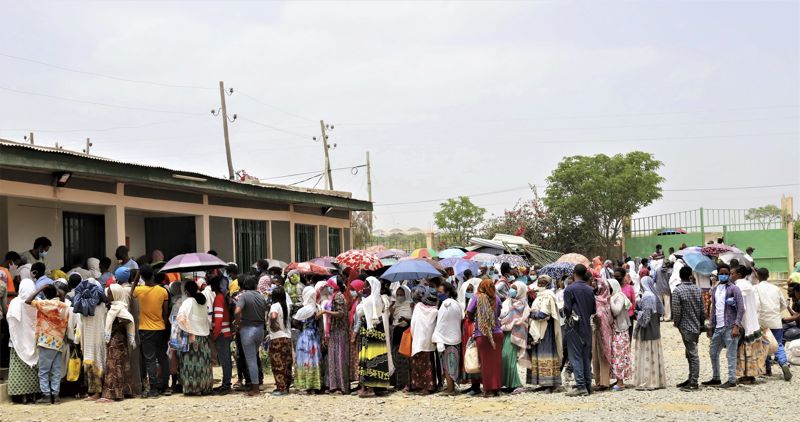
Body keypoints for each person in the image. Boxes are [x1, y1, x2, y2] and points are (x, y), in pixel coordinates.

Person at [25, 283, 69, 404]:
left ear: (45, 294)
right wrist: (61, 295)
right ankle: (56, 395)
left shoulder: (43, 304)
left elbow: (28, 301)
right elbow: (63, 303)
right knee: (56, 370)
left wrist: (40, 289)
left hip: (46, 341)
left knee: (43, 371)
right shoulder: (64, 305)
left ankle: (46, 396)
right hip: (59, 341)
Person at [132, 264, 170, 398]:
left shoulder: (139, 290)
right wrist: (163, 324)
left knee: (150, 360)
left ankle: (153, 388)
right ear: (153, 275)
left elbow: (131, 292)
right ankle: (165, 386)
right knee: (163, 357)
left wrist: (137, 276)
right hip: (160, 328)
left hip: (145, 329)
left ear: (142, 277)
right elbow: (165, 313)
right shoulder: (162, 291)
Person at [704, 264, 743, 388]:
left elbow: (741, 308)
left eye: (727, 273)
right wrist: (710, 325)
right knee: (713, 352)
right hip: (718, 327)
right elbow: (713, 308)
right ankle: (716, 378)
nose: (724, 275)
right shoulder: (715, 289)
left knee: (731, 354)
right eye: (722, 273)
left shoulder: (734, 289)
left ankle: (732, 380)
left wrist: (737, 326)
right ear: (718, 274)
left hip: (730, 326)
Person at [355, 277, 394, 397]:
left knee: (369, 359)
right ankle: (378, 387)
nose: (366, 287)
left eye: (367, 285)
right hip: (379, 332)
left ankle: (369, 389)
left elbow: (360, 313)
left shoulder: (367, 301)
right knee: (378, 359)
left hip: (369, 332)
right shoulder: (382, 300)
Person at [466, 278, 504, 397]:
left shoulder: (477, 297)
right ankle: (496, 388)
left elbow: (469, 312)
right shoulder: (496, 298)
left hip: (482, 334)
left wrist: (474, 319)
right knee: (496, 363)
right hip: (497, 333)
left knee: (485, 363)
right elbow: (498, 314)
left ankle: (488, 390)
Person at [563, 264, 596, 397]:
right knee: (586, 356)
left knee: (575, 356)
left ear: (574, 273)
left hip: (574, 327)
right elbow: (594, 310)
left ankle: (581, 386)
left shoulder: (569, 289)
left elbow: (567, 309)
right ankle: (588, 385)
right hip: (587, 326)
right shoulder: (590, 289)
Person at [99, 283, 136, 402]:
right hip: (118, 340)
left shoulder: (119, 307)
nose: (108, 295)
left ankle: (112, 394)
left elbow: (128, 319)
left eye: (110, 293)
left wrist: (116, 326)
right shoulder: (115, 306)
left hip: (116, 340)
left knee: (113, 366)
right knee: (120, 365)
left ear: (116, 294)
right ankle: (124, 391)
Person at [73, 277, 108, 401]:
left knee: (90, 363)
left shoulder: (82, 306)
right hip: (100, 338)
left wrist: (77, 340)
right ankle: (102, 392)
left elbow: (79, 324)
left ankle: (95, 393)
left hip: (87, 340)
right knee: (101, 362)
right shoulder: (103, 305)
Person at [754, 268, 792, 381]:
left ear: (757, 276)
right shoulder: (776, 288)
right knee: (778, 343)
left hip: (762, 321)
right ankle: (784, 363)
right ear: (768, 276)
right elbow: (784, 304)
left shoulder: (755, 288)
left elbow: (756, 305)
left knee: (764, 345)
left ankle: (767, 369)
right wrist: (776, 312)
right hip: (776, 320)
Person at [176, 280, 213, 396]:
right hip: (204, 337)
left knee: (190, 363)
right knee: (203, 364)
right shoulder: (203, 301)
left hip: (192, 336)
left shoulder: (188, 302)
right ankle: (204, 387)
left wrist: (188, 330)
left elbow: (181, 318)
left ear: (186, 291)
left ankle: (192, 388)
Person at [671, 265, 705, 391]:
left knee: (692, 354)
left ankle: (694, 382)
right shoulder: (697, 289)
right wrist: (701, 324)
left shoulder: (677, 291)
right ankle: (691, 378)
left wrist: (677, 323)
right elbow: (702, 309)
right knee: (690, 353)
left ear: (680, 276)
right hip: (696, 325)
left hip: (685, 326)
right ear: (690, 275)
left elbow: (676, 310)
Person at [6, 278, 40, 404]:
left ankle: (22, 396)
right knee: (34, 370)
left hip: (18, 342)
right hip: (34, 341)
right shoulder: (37, 302)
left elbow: (11, 321)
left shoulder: (15, 303)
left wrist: (17, 336)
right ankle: (34, 394)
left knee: (19, 369)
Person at [733, 265, 768, 383]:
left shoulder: (738, 286)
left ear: (738, 274)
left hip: (744, 322)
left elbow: (740, 306)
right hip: (753, 321)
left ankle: (745, 375)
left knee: (743, 349)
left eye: (732, 273)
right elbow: (756, 304)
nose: (730, 276)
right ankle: (752, 374)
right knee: (753, 349)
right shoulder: (750, 285)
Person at [528, 275, 563, 393]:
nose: (541, 284)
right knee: (538, 354)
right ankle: (542, 383)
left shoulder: (548, 296)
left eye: (543, 283)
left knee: (545, 354)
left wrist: (531, 314)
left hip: (546, 330)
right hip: (539, 328)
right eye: (540, 282)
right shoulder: (540, 296)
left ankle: (549, 384)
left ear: (548, 284)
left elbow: (543, 314)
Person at [234, 275, 266, 396]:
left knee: (251, 360)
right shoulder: (261, 296)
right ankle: (256, 384)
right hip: (260, 329)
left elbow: (237, 311)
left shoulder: (244, 296)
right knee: (254, 357)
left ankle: (255, 389)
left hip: (247, 329)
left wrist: (238, 324)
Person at [632, 276, 666, 390]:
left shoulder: (647, 296)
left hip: (648, 329)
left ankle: (647, 381)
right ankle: (656, 380)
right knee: (654, 354)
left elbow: (646, 318)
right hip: (655, 328)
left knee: (647, 354)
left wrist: (637, 313)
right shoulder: (654, 295)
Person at [432, 281, 462, 395]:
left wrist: (437, 335)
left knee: (448, 364)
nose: (438, 294)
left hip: (446, 338)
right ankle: (450, 387)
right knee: (451, 363)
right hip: (455, 337)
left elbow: (442, 322)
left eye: (440, 292)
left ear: (447, 292)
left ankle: (450, 389)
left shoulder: (446, 304)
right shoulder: (456, 303)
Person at [499, 280, 529, 393]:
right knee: (504, 357)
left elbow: (514, 318)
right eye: (512, 288)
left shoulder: (521, 304)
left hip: (515, 333)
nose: (513, 290)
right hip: (505, 332)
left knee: (509, 357)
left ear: (520, 291)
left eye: (515, 289)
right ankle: (507, 383)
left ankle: (516, 384)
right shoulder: (508, 301)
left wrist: (504, 321)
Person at [294, 284, 323, 393]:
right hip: (315, 336)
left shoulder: (304, 310)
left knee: (304, 359)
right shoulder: (317, 307)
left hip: (305, 336)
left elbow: (296, 322)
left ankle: (306, 384)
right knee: (314, 359)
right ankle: (315, 385)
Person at [409, 287, 439, 395]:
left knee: (418, 364)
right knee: (429, 364)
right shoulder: (435, 311)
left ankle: (421, 386)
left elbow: (413, 323)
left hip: (418, 339)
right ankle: (430, 385)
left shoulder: (418, 307)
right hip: (429, 341)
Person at [325, 277, 350, 395]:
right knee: (335, 358)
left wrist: (325, 312)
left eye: (330, 286)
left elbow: (340, 313)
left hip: (339, 330)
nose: (328, 288)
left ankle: (341, 386)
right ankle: (335, 385)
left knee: (339, 358)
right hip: (335, 330)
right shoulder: (335, 295)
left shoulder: (339, 296)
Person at [210, 276, 233, 395]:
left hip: (222, 333)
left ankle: (226, 384)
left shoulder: (218, 298)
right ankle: (226, 383)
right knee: (226, 360)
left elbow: (218, 319)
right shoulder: (222, 297)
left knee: (225, 360)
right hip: (226, 331)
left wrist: (215, 334)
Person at [268, 286, 293, 396]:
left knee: (278, 363)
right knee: (287, 362)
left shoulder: (274, 306)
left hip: (277, 337)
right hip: (287, 336)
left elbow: (273, 316)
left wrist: (273, 325)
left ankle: (281, 387)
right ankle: (286, 387)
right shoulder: (286, 305)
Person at [458, 277, 481, 394]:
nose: (469, 292)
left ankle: (476, 385)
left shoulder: (475, 300)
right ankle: (472, 384)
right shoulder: (461, 303)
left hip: (472, 328)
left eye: (471, 289)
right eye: (468, 290)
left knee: (474, 355)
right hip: (465, 329)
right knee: (467, 356)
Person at [608, 275, 631, 391]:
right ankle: (618, 379)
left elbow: (616, 311)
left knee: (620, 356)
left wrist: (610, 299)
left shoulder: (619, 296)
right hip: (615, 331)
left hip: (621, 330)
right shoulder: (615, 296)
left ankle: (621, 382)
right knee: (615, 356)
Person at [592, 278, 614, 391]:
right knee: (597, 356)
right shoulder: (605, 301)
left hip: (601, 331)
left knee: (602, 355)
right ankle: (599, 381)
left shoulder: (603, 301)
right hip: (598, 331)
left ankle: (604, 382)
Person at [389, 282, 412, 390]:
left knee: (406, 360)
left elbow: (413, 320)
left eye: (401, 294)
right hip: (397, 333)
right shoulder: (394, 306)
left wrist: (405, 319)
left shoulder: (410, 304)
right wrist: (391, 311)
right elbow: (390, 321)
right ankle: (398, 383)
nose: (399, 296)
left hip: (406, 333)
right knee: (396, 359)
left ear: (406, 294)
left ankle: (407, 383)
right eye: (397, 294)